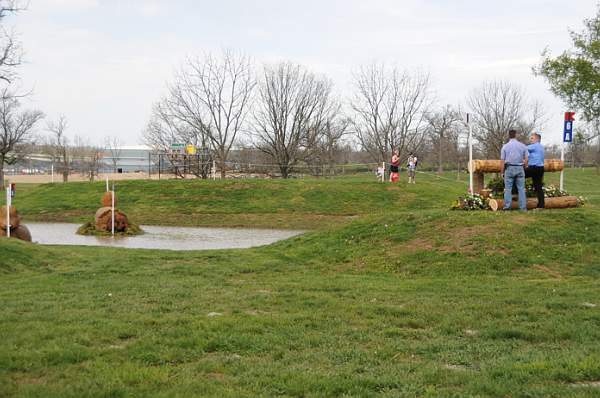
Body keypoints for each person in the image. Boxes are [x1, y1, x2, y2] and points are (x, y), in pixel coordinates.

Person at [500, 129, 528, 211]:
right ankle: (523, 208)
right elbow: (526, 159)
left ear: (509, 136)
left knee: (508, 189)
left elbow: (502, 161)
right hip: (520, 168)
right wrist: (525, 167)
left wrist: (502, 172)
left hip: (509, 168)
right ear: (516, 135)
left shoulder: (505, 146)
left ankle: (507, 207)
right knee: (521, 189)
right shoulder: (523, 146)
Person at [525, 132, 545, 209]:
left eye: (532, 138)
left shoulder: (534, 146)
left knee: (519, 175)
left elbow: (523, 148)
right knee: (538, 187)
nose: (530, 140)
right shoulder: (541, 147)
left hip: (534, 168)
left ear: (537, 139)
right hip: (540, 168)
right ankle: (541, 205)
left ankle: (516, 193)